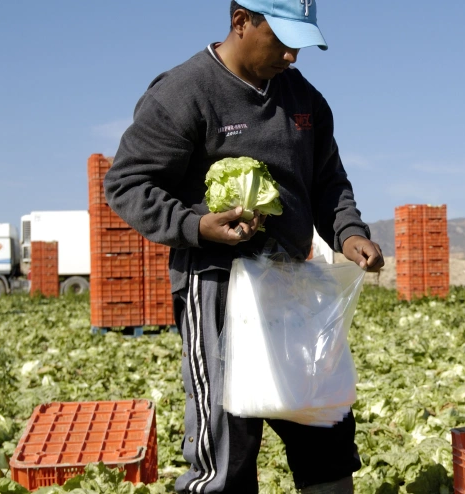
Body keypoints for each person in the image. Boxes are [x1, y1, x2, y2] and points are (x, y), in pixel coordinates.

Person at [104, 1, 384, 492]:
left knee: (325, 429)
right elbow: (128, 184)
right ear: (241, 22)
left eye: (300, 43)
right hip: (218, 288)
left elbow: (328, 182)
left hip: (295, 285)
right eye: (281, 40)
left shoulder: (304, 100)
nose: (292, 56)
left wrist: (350, 232)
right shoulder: (185, 92)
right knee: (227, 447)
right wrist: (195, 226)